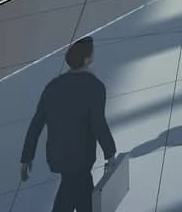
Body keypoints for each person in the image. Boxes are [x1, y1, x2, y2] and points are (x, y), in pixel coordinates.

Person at [20, 37, 117, 212]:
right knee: (76, 195)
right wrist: (110, 153)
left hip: (58, 156)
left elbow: (37, 123)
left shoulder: (52, 87)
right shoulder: (95, 87)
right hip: (81, 158)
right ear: (87, 59)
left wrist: (27, 157)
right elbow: (98, 123)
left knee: (77, 193)